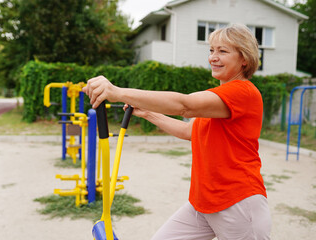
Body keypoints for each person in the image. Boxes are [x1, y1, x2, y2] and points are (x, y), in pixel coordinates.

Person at [82, 23, 271, 240]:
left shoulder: (243, 92)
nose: (213, 57)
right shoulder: (220, 96)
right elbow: (189, 131)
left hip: (238, 203)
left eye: (223, 51)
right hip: (203, 202)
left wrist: (118, 92)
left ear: (244, 58)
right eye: (211, 50)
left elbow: (185, 105)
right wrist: (148, 113)